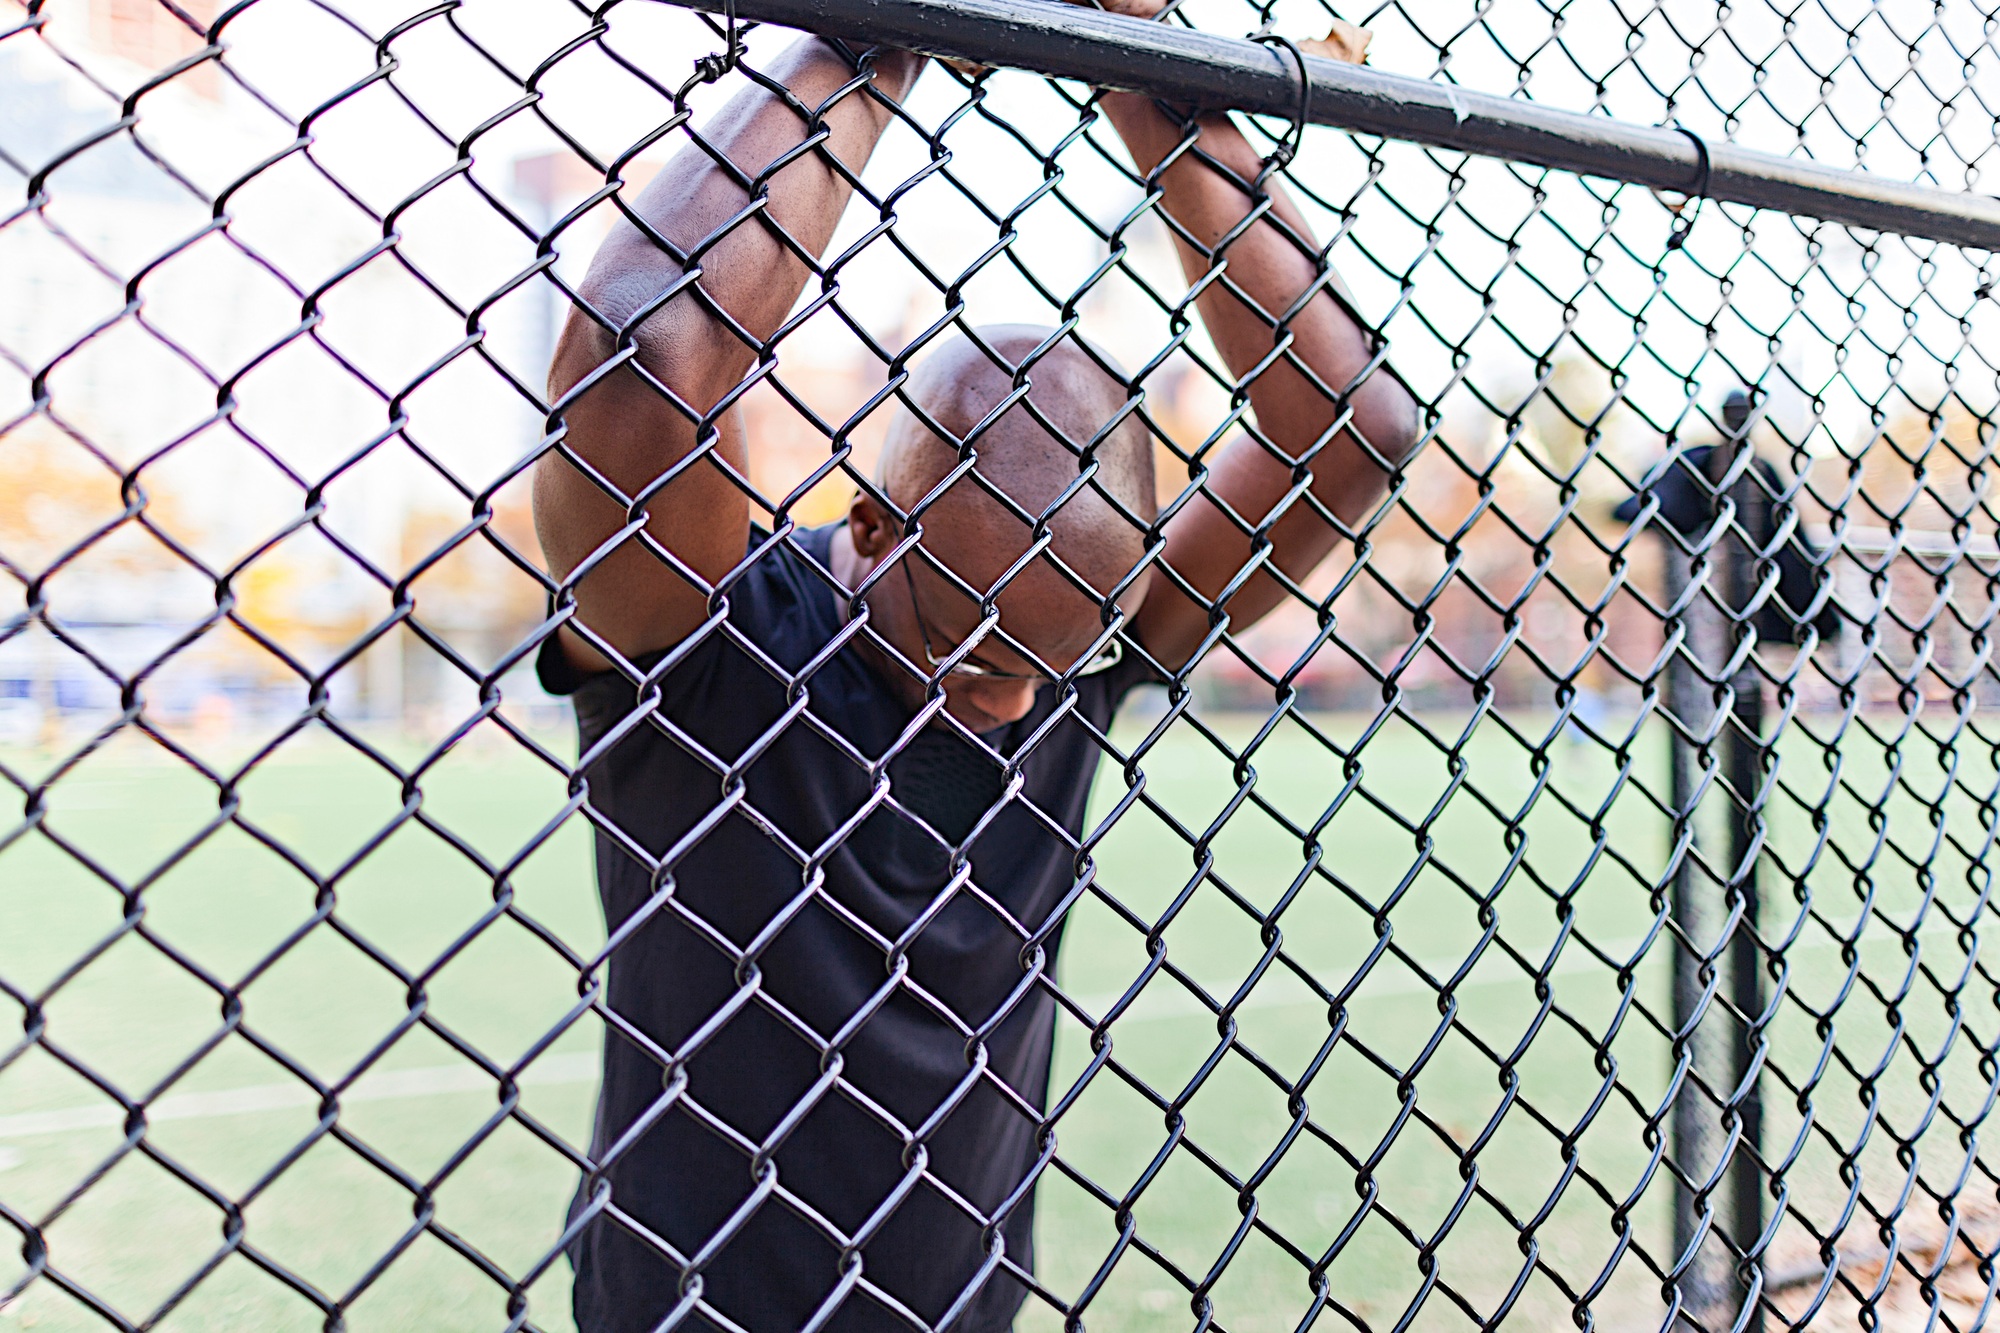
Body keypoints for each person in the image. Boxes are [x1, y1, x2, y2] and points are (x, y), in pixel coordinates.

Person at [530, 10, 1420, 1330]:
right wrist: (882, 34)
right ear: (873, 525)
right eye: (971, 647)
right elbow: (641, 355)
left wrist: (1142, 68)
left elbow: (1356, 429)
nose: (1010, 700)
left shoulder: (1082, 646)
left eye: (1055, 659)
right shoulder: (713, 642)